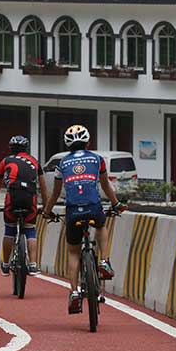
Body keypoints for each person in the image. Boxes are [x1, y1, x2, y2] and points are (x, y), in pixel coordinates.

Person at [43, 125, 126, 314]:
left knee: (73, 252)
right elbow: (105, 185)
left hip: (73, 210)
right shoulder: (98, 160)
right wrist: (116, 204)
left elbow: (56, 193)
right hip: (93, 207)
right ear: (89, 142)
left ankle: (74, 292)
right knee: (101, 224)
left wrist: (47, 211)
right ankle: (104, 261)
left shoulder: (61, 164)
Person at [0, 135, 48, 277]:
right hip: (30, 198)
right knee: (30, 230)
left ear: (10, 148)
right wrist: (46, 205)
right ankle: (33, 265)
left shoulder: (5, 161)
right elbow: (43, 185)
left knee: (9, 230)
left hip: (13, 198)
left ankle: (5, 264)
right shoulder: (34, 162)